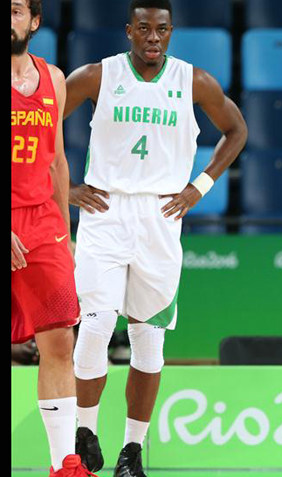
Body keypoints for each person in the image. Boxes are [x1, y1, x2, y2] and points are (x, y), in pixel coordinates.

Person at [63, 0, 248, 474]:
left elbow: (236, 130)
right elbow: (40, 123)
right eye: (143, 28)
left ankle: (132, 451)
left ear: (171, 31)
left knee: (148, 341)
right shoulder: (98, 75)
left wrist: (199, 187)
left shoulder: (193, 81)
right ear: (129, 30)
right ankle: (85, 432)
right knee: (96, 325)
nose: (152, 37)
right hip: (105, 211)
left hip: (161, 215)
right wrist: (63, 188)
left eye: (161, 29)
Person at [11, 1, 96, 475]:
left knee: (60, 340)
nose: (9, 19)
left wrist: (65, 234)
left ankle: (64, 465)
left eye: (15, 10)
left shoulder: (55, 79)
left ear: (34, 21)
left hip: (43, 225)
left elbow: (57, 161)